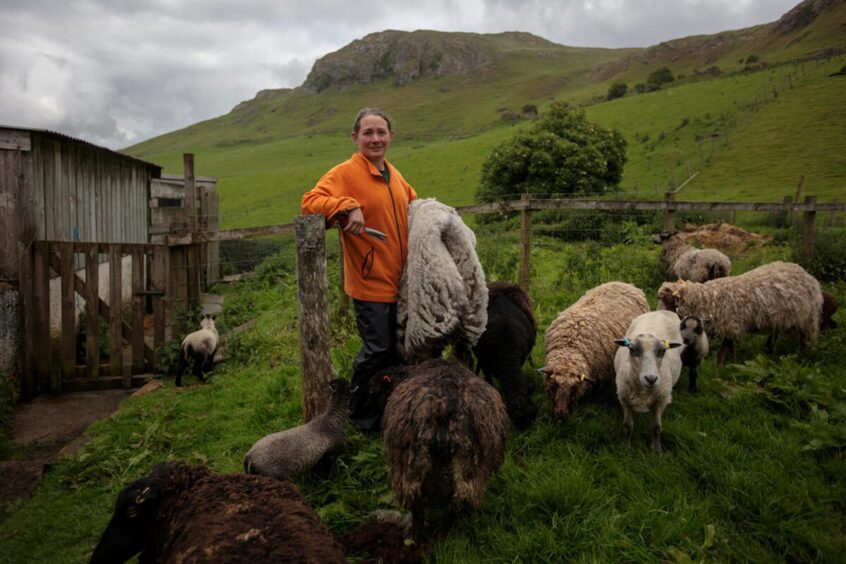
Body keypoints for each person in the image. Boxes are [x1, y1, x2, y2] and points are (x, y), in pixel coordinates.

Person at [301, 108, 417, 429]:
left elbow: (414, 208)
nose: (375, 138)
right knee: (377, 351)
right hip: (370, 281)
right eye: (368, 133)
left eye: (381, 132)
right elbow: (311, 202)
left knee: (396, 352)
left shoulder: (395, 175)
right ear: (356, 138)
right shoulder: (346, 173)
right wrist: (346, 206)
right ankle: (359, 416)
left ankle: (388, 410)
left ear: (391, 136)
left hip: (401, 283)